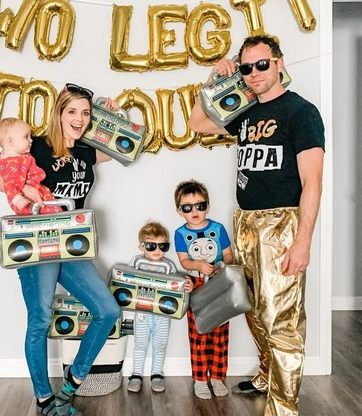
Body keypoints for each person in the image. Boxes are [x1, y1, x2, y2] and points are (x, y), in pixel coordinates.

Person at [187, 35, 325, 415]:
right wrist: (214, 81)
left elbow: (313, 182)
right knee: (252, 308)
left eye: (262, 65)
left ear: (279, 63)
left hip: (281, 223)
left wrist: (303, 242)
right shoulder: (246, 111)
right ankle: (268, 373)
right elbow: (197, 123)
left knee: (281, 318)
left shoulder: (301, 113)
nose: (254, 74)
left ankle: (283, 407)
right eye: (246, 67)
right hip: (245, 222)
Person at [0, 84, 121, 416]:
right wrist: (29, 191)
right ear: (59, 113)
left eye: (85, 113)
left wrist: (111, 117)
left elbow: (126, 148)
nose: (79, 119)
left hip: (73, 246)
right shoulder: (40, 148)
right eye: (72, 111)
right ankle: (45, 401)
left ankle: (71, 384)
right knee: (40, 321)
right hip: (39, 245)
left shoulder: (88, 151)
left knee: (107, 311)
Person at [173, 180, 234, 399]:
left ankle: (217, 377)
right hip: (196, 285)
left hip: (219, 284)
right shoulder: (180, 233)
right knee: (199, 333)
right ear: (180, 211)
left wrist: (222, 266)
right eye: (187, 207)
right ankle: (200, 379)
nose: (195, 211)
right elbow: (184, 261)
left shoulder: (218, 229)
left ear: (207, 206)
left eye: (200, 205)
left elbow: (228, 254)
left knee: (220, 333)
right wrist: (198, 265)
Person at [125, 221, 192, 394]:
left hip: (162, 314)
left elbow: (176, 286)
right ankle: (136, 374)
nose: (157, 250)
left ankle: (156, 374)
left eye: (162, 246)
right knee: (140, 344)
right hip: (141, 313)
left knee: (160, 344)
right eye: (151, 245)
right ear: (142, 247)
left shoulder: (168, 266)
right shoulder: (136, 262)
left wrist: (187, 284)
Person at [0, 117, 61, 215]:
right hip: (27, 199)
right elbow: (10, 184)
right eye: (26, 137)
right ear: (10, 142)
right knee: (51, 212)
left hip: (37, 191)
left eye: (30, 137)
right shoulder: (12, 163)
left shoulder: (5, 156)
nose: (31, 140)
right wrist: (17, 198)